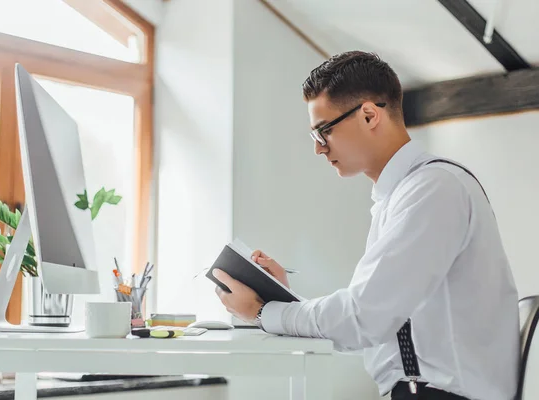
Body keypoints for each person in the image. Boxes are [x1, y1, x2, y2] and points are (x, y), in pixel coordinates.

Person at [213, 51, 520, 400]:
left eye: (323, 131)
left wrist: (265, 312)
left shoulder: (433, 189)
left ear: (370, 115)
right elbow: (371, 319)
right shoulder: (404, 193)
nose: (319, 149)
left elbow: (363, 319)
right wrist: (284, 300)